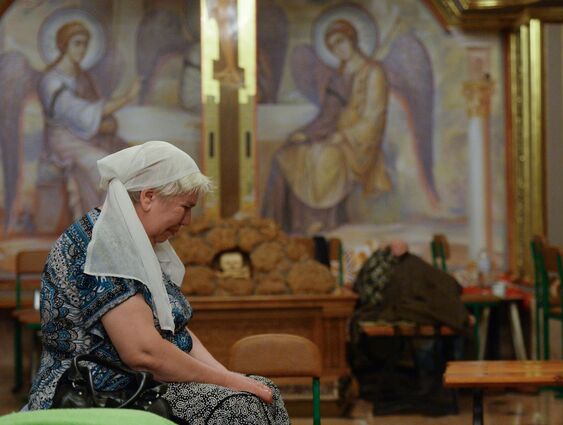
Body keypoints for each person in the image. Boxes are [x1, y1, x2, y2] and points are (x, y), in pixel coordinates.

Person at [27, 141, 290, 424]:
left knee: (263, 391)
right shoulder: (101, 244)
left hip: (141, 386)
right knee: (239, 408)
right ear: (149, 197)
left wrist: (229, 377)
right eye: (185, 207)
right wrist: (227, 381)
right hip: (98, 394)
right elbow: (143, 353)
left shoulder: (133, 240)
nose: (188, 221)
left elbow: (176, 332)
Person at [262, 19, 391, 234]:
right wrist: (306, 134)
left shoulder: (374, 72)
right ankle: (289, 223)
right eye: (333, 46)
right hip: (334, 135)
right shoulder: (339, 75)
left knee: (323, 158)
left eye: (341, 42)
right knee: (288, 154)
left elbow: (375, 117)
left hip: (360, 143)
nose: (338, 50)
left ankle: (321, 220)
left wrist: (345, 136)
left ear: (353, 39)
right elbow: (328, 115)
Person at [38, 20, 140, 218]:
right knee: (103, 167)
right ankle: (97, 226)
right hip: (64, 141)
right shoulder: (51, 81)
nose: (82, 49)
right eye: (77, 43)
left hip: (85, 136)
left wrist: (108, 125)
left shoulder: (82, 76)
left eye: (85, 44)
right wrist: (127, 97)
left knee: (128, 158)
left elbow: (93, 114)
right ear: (63, 45)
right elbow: (82, 114)